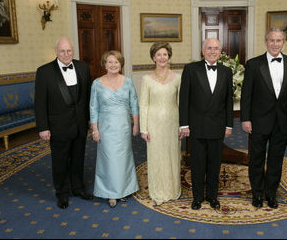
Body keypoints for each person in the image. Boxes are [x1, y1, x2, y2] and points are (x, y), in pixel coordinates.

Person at [240, 27, 287, 209]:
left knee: (276, 160)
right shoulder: (253, 64)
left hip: (282, 122)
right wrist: (245, 118)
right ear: (266, 42)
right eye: (272, 40)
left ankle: (271, 194)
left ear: (284, 42)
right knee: (256, 159)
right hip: (258, 121)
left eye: (279, 40)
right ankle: (257, 194)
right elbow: (246, 94)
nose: (275, 44)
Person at [35, 37, 93, 209]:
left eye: (69, 51)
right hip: (58, 125)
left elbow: (88, 96)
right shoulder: (44, 71)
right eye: (62, 51)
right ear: (56, 52)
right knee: (60, 160)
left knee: (78, 158)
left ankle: (78, 188)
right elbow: (40, 102)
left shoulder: (83, 67)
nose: (66, 54)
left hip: (80, 123)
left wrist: (90, 118)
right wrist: (43, 127)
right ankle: (62, 193)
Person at [179, 38, 234, 210]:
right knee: (197, 164)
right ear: (203, 50)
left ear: (220, 51)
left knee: (214, 164)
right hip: (196, 126)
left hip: (217, 125)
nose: (212, 51)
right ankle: (197, 198)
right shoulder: (190, 69)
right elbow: (184, 99)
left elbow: (228, 101)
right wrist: (184, 124)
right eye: (209, 48)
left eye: (216, 48)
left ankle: (212, 196)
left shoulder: (227, 71)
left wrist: (229, 125)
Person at [90, 50, 140, 208]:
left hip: (124, 126)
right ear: (104, 64)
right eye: (110, 62)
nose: (113, 65)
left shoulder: (128, 81)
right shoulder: (97, 83)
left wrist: (136, 124)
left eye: (116, 62)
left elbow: (134, 104)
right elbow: (93, 108)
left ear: (121, 64)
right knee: (109, 160)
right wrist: (95, 129)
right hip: (106, 127)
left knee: (124, 159)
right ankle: (110, 192)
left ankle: (124, 189)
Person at [139, 42, 182, 206]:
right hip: (154, 123)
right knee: (157, 156)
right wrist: (144, 128)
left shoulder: (178, 77)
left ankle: (172, 190)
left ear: (169, 56)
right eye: (159, 54)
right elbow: (144, 104)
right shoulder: (146, 79)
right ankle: (158, 191)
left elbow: (180, 104)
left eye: (165, 54)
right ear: (153, 57)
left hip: (173, 122)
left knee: (172, 155)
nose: (162, 57)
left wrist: (182, 126)